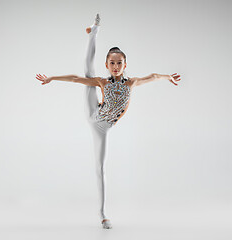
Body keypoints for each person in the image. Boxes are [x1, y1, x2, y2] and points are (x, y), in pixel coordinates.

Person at [35, 13, 181, 229]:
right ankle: (94, 33)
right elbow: (76, 79)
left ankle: (102, 214)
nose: (115, 66)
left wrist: (167, 76)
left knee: (100, 167)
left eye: (119, 63)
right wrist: (52, 78)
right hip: (94, 113)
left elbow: (152, 76)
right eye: (111, 63)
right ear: (107, 64)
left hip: (103, 128)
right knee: (87, 75)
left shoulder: (131, 82)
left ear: (125, 64)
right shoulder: (102, 81)